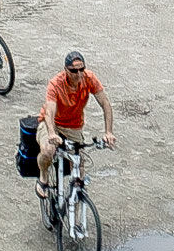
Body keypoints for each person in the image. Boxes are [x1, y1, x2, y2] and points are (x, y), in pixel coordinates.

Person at [35, 51, 116, 199]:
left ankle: (77, 217)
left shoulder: (89, 78)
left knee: (79, 172)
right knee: (48, 151)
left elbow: (105, 103)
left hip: (73, 127)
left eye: (81, 69)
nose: (78, 74)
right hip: (52, 124)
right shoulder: (56, 83)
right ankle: (43, 176)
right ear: (66, 70)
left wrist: (108, 132)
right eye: (74, 71)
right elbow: (49, 112)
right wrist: (52, 133)